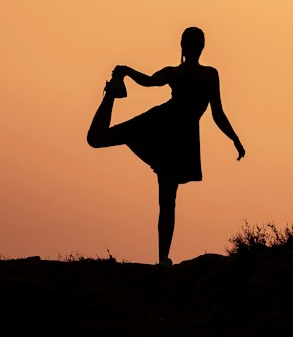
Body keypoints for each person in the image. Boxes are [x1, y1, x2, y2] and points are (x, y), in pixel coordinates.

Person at [87, 26, 245, 265]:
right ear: (183, 47)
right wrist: (126, 71)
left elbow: (218, 113)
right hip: (160, 124)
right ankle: (112, 92)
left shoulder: (211, 75)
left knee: (168, 199)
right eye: (189, 44)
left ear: (201, 47)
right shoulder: (176, 72)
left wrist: (234, 138)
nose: (192, 48)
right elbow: (150, 81)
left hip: (182, 139)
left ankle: (163, 258)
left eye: (195, 44)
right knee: (97, 139)